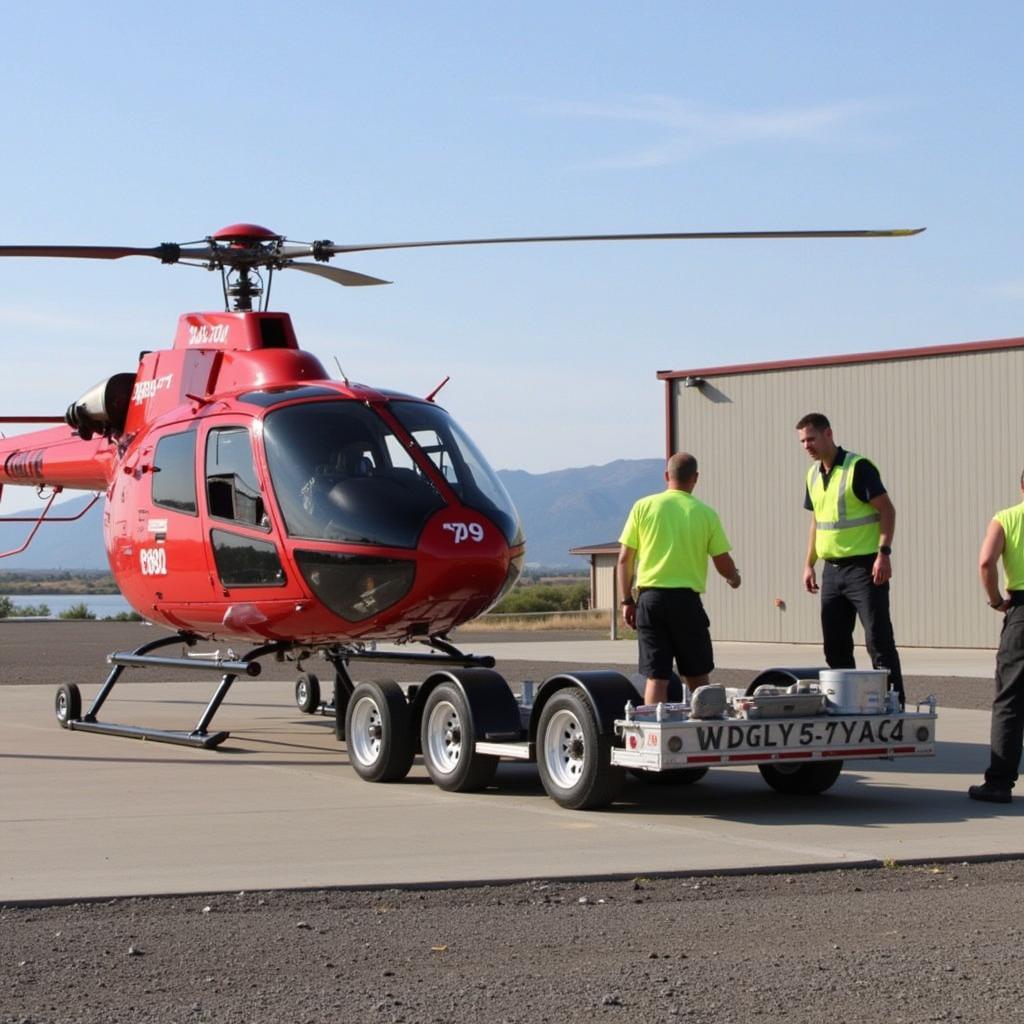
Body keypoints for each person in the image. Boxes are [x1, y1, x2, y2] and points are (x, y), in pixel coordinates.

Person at [796, 412, 905, 706]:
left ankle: (892, 706)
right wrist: (809, 563)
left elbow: (887, 511)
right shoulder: (813, 475)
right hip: (832, 571)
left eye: (811, 439)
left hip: (865, 568)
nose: (807, 446)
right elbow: (818, 522)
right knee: (835, 646)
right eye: (803, 441)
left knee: (878, 641)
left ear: (828, 434)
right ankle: (847, 704)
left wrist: (883, 554)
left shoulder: (858, 468)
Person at [617, 452, 741, 705]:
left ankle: (654, 733)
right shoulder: (705, 513)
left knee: (656, 677)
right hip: (686, 602)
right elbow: (722, 561)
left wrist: (627, 601)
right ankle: (704, 732)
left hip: (650, 600)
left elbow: (624, 560)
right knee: (697, 674)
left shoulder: (643, 507)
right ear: (695, 478)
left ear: (666, 476)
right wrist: (734, 577)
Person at [969, 473, 1024, 803]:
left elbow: (986, 561)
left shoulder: (1006, 518)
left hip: (1021, 611)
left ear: (1021, 487)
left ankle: (999, 783)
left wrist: (995, 601)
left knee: (1011, 701)